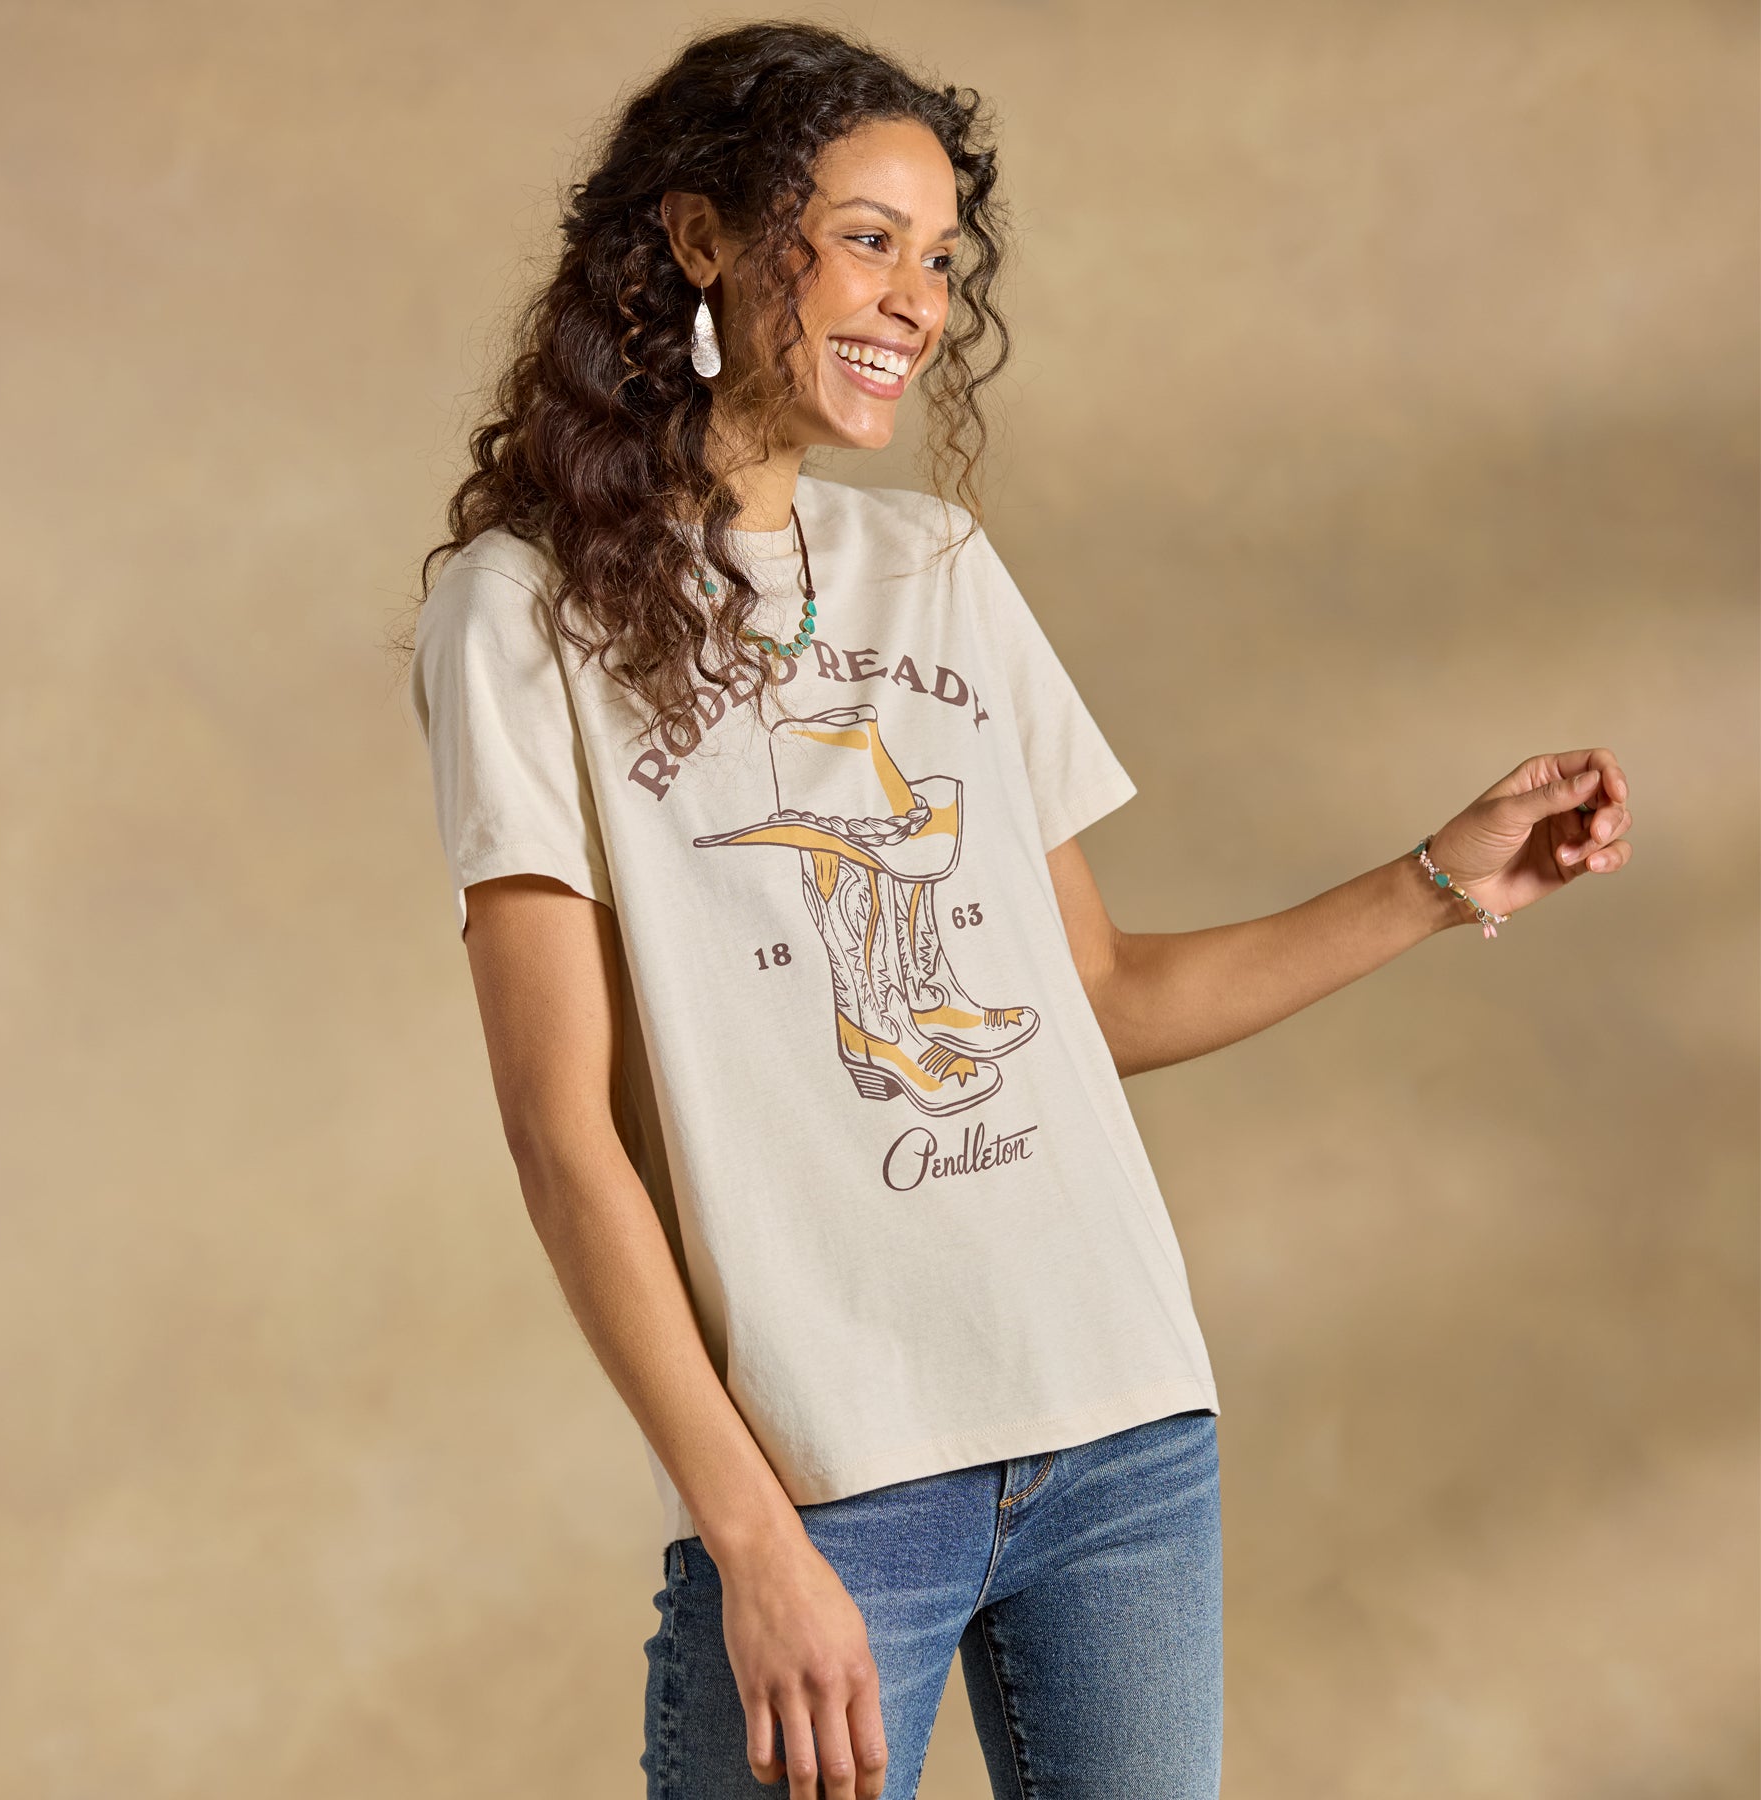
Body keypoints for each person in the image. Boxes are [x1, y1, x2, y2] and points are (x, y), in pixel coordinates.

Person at [403, 22, 1634, 1800]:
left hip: (1119, 1423)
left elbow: (1100, 995)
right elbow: (562, 1135)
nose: (917, 300)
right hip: (831, 1480)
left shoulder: (938, 569)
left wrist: (1442, 881)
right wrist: (751, 1536)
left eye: (940, 256)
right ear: (701, 235)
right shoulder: (521, 618)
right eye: (868, 239)